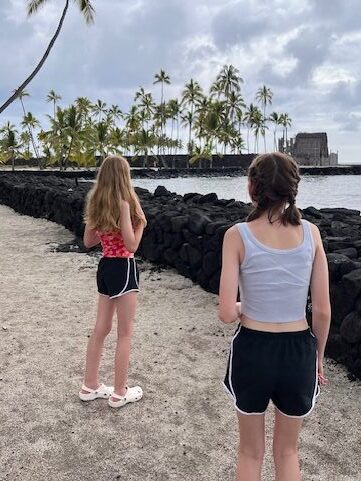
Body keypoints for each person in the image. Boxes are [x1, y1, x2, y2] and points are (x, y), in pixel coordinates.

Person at [219, 152, 331, 481]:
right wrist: (318, 357)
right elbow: (322, 310)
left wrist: (245, 307)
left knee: (250, 453)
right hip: (298, 352)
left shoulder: (236, 235)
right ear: (293, 189)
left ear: (252, 187)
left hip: (253, 349)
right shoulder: (312, 234)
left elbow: (227, 312)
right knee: (288, 452)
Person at [79, 156, 146, 409]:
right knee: (125, 333)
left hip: (105, 266)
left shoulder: (97, 203)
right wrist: (141, 225)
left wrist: (105, 230)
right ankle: (119, 392)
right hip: (124, 267)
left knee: (100, 328)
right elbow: (131, 245)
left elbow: (88, 241)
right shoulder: (126, 203)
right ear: (124, 176)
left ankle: (90, 385)